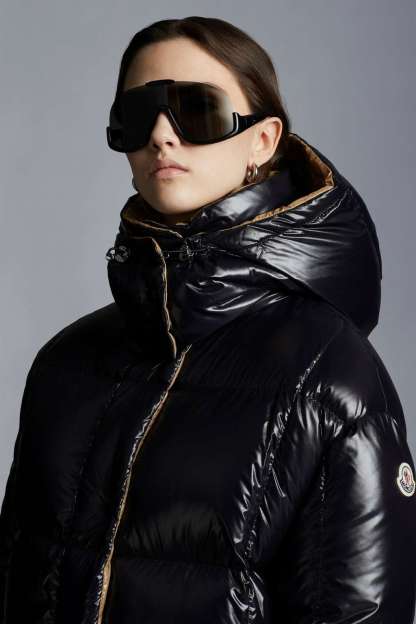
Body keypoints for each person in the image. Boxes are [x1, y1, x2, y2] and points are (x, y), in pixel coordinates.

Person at [1, 15, 415, 624]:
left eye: (197, 110)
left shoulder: (331, 376)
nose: (161, 135)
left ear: (263, 140)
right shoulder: (64, 364)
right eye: (137, 116)